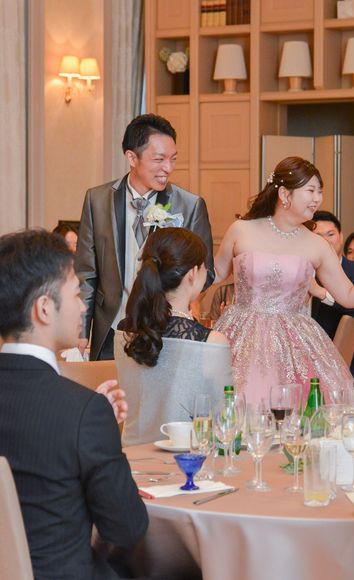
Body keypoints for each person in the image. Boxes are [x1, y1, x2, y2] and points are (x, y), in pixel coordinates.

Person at [0, 230, 148, 579]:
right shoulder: (83, 412)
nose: (83, 305)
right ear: (44, 309)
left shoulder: (83, 412)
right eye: (76, 293)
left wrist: (90, 427)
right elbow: (127, 528)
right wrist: (94, 426)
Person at [212, 156, 354, 405]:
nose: (317, 199)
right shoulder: (241, 230)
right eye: (311, 191)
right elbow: (215, 273)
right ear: (284, 194)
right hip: (242, 335)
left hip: (292, 341)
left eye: (320, 192)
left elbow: (347, 294)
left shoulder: (316, 244)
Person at [76, 113, 214, 360]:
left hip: (166, 333)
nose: (168, 168)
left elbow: (207, 271)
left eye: (173, 159)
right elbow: (87, 273)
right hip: (111, 331)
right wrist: (81, 330)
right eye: (159, 159)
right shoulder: (97, 200)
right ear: (132, 157)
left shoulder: (189, 205)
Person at [116, 228, 229, 445]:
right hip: (188, 457)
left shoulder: (125, 331)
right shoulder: (211, 342)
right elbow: (224, 420)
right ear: (193, 273)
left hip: (131, 454)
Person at [310, 211, 354, 386]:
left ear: (341, 237)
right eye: (318, 236)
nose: (325, 241)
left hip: (335, 358)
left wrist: (324, 294)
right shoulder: (304, 269)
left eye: (330, 234)